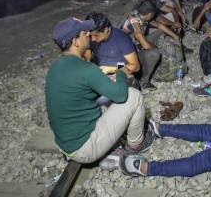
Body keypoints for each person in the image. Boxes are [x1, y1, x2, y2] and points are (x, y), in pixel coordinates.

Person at [45, 17, 156, 164]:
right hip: (84, 149)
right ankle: (136, 145)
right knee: (134, 97)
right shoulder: (86, 69)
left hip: (66, 142)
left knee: (104, 99)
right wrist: (121, 72)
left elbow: (82, 91)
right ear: (75, 42)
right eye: (85, 33)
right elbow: (121, 96)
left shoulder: (55, 68)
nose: (89, 35)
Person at [84, 12, 157, 92]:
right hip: (100, 72)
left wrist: (112, 69)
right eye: (90, 35)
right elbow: (87, 56)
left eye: (95, 36)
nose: (92, 39)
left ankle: (143, 82)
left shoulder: (121, 39)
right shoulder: (90, 36)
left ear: (106, 30)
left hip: (119, 72)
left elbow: (136, 67)